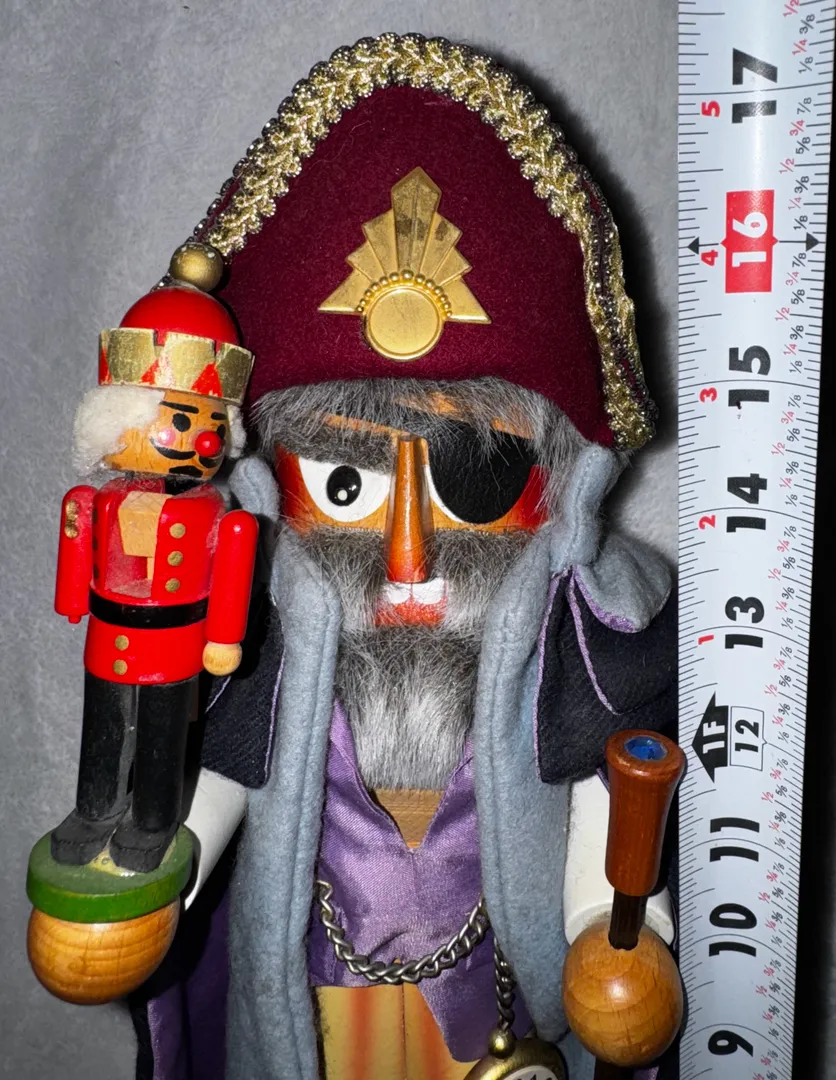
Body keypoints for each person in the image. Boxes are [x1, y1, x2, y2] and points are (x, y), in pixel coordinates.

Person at [126, 35, 676, 1080]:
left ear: (564, 489)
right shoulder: (256, 635)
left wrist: (619, 945)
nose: (409, 556)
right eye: (346, 486)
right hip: (311, 1031)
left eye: (479, 480)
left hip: (506, 1037)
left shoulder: (589, 643)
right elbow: (207, 792)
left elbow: (613, 833)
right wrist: (143, 892)